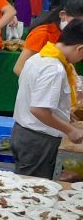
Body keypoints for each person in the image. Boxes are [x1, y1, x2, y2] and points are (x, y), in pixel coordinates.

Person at [11, 19, 83, 179]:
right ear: (80, 48)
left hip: (23, 131)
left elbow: (37, 98)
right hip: (38, 138)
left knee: (25, 182)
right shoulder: (54, 69)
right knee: (32, 188)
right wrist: (70, 130)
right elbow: (38, 109)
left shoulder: (38, 58)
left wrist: (62, 114)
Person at [14, 0, 83, 76]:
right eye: (78, 21)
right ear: (62, 15)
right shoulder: (42, 34)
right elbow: (19, 68)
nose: (80, 26)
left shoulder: (75, 34)